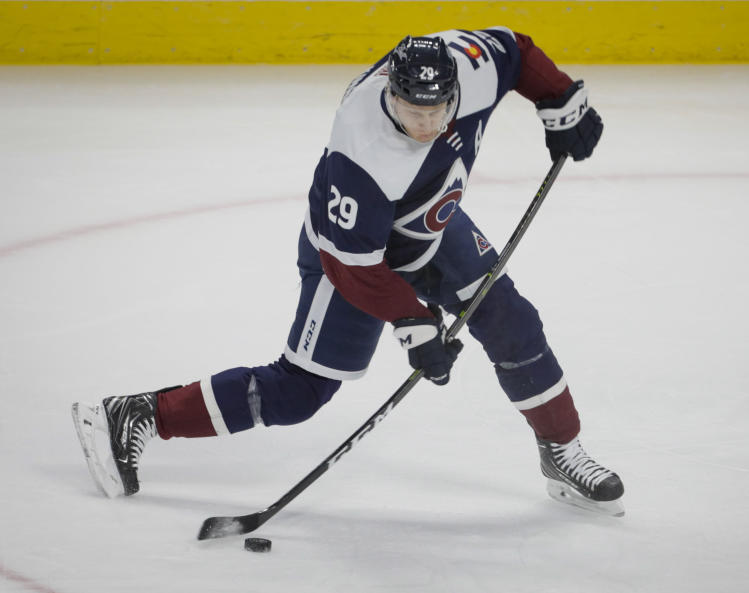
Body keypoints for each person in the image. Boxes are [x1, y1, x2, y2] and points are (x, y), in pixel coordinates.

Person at [72, 28, 624, 517]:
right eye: (413, 112)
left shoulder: (467, 63)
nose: (428, 124)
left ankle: (561, 451)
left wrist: (561, 104)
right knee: (299, 393)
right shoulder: (361, 153)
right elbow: (351, 266)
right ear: (390, 92)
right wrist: (415, 323)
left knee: (510, 319)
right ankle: (138, 414)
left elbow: (515, 49)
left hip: (431, 223)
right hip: (356, 256)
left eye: (439, 111)